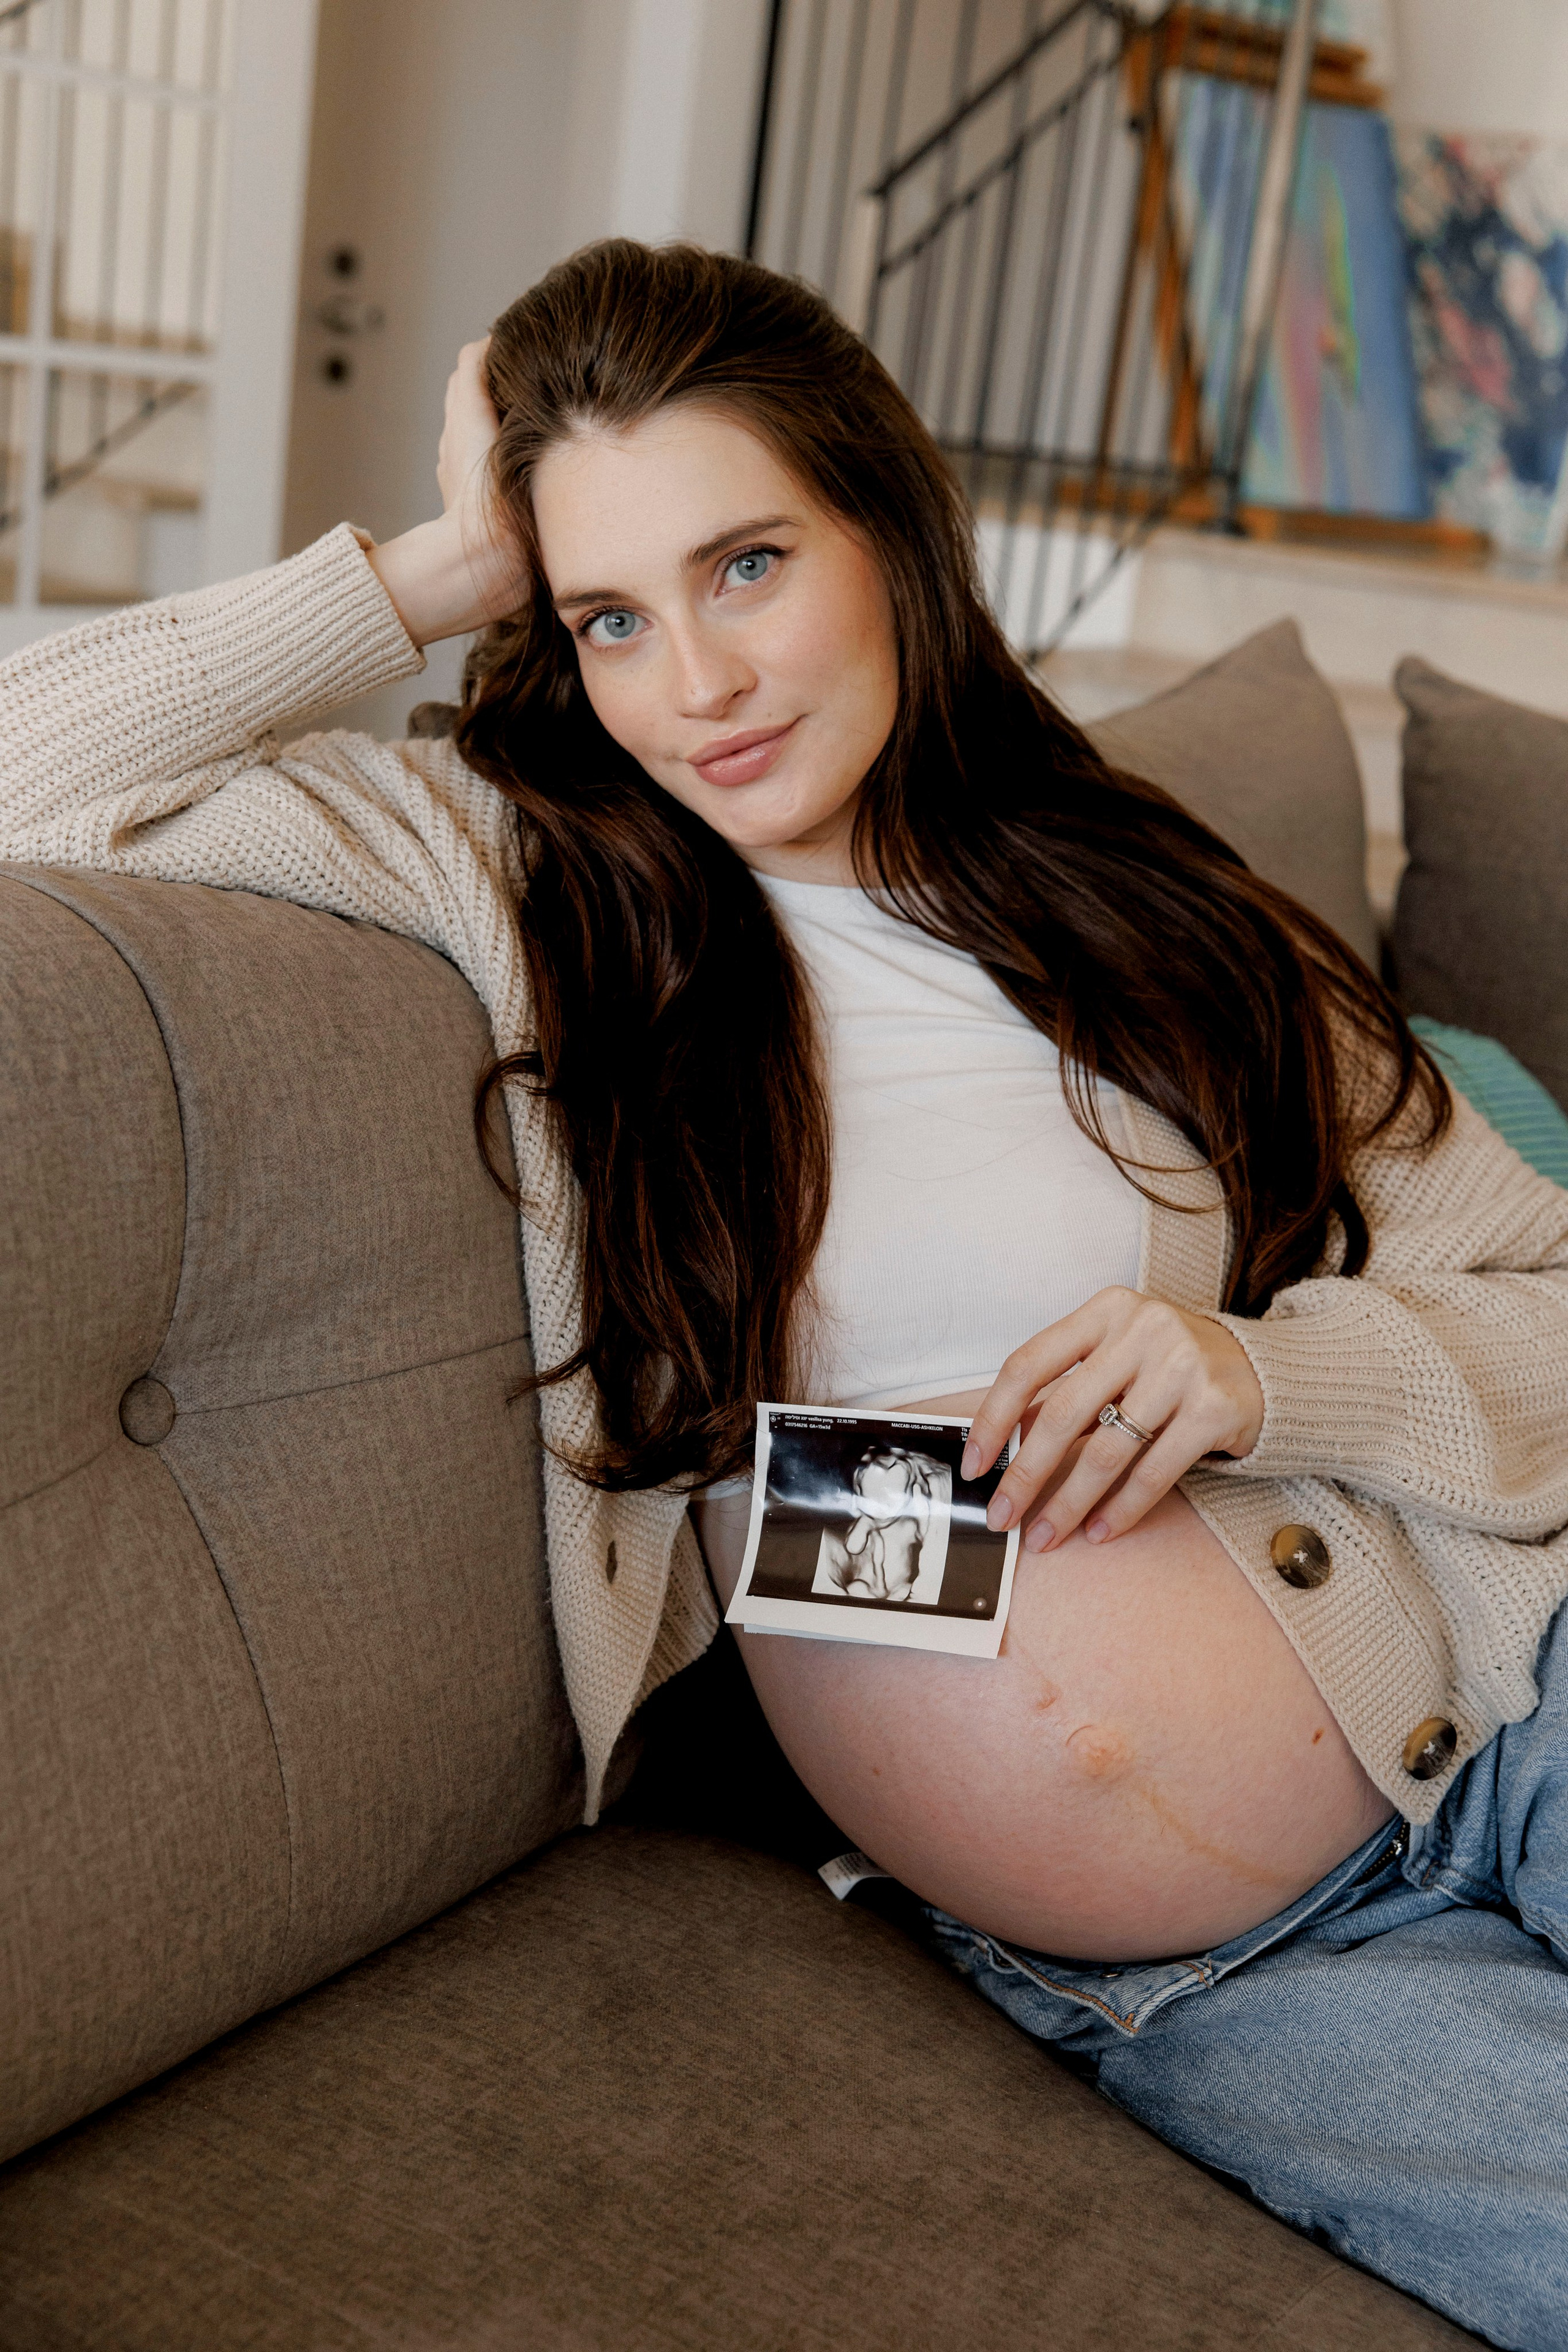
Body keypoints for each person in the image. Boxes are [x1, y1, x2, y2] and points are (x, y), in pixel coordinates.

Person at [3, 238, 1567, 2344]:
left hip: (1521, 1691)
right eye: (612, 616)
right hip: (1209, 1972)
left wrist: (1269, 1377)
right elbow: (32, 776)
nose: (699, 686)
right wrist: (448, 564)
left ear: (890, 530)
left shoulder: (1148, 899)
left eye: (747, 566)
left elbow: (1536, 1277)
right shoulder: (542, 888)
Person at [814, 1444, 949, 1602]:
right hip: (866, 1584)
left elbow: (928, 1538)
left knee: (905, 1591)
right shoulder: (864, 1523)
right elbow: (853, 1547)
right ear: (858, 1492)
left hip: (897, 1587)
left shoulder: (908, 1526)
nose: (880, 1510)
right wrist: (865, 1523)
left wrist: (922, 1506)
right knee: (857, 1589)